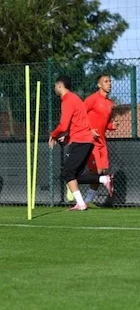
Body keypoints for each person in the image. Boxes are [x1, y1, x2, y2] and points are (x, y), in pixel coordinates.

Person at [49, 76, 113, 210]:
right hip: (87, 140)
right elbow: (79, 122)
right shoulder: (76, 99)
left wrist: (53, 135)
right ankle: (84, 200)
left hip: (81, 140)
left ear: (60, 86)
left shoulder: (68, 100)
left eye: (55, 86)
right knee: (74, 175)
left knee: (67, 173)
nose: (54, 89)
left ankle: (87, 197)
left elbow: (63, 125)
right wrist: (68, 135)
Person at [83, 75, 115, 204]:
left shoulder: (110, 103)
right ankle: (72, 180)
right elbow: (80, 115)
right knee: (97, 171)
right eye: (106, 81)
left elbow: (105, 123)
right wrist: (89, 130)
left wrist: (112, 126)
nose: (109, 83)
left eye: (110, 81)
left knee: (102, 171)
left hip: (102, 141)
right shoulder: (92, 99)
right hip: (91, 141)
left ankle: (87, 201)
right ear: (99, 85)